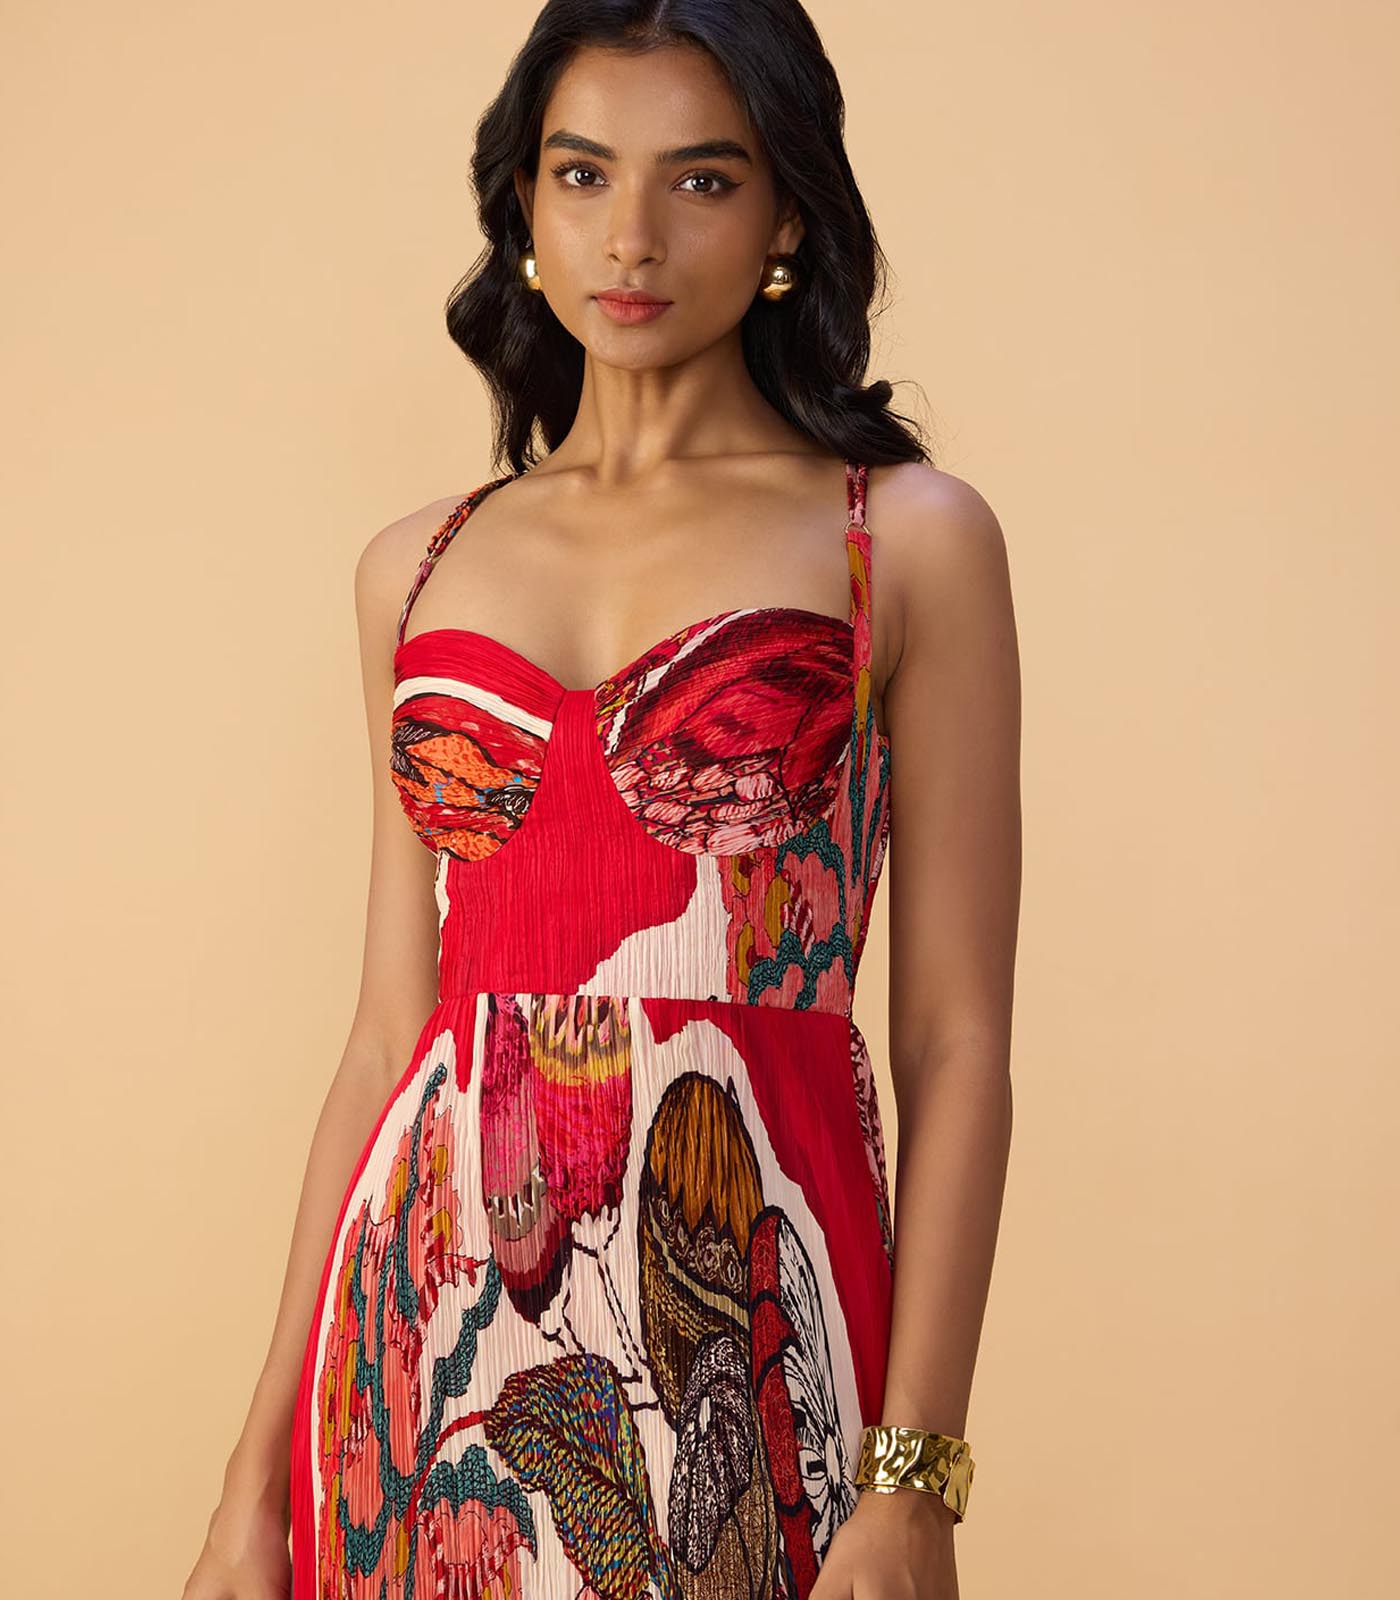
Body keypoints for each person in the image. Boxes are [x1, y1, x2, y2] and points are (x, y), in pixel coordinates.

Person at [182, 3, 1020, 1597]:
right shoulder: (415, 565)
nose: (631, 236)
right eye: (582, 175)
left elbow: (956, 1042)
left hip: (742, 1335)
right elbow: (386, 1037)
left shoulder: (903, 538)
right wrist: (254, 1479)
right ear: (524, 207)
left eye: (701, 181)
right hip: (423, 1350)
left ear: (789, 219)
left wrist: (917, 1476)